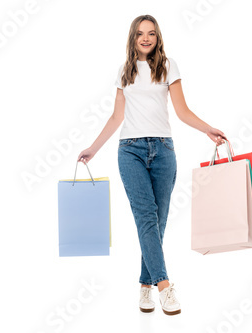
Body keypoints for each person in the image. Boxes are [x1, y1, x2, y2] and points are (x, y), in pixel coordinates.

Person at [77, 14, 226, 316]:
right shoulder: (124, 71)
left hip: (164, 150)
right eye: (140, 34)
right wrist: (94, 148)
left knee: (158, 223)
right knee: (146, 217)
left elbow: (182, 111)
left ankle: (145, 284)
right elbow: (117, 117)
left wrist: (207, 128)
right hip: (129, 150)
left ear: (158, 38)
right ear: (132, 38)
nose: (146, 38)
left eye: (152, 34)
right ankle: (165, 287)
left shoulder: (169, 67)